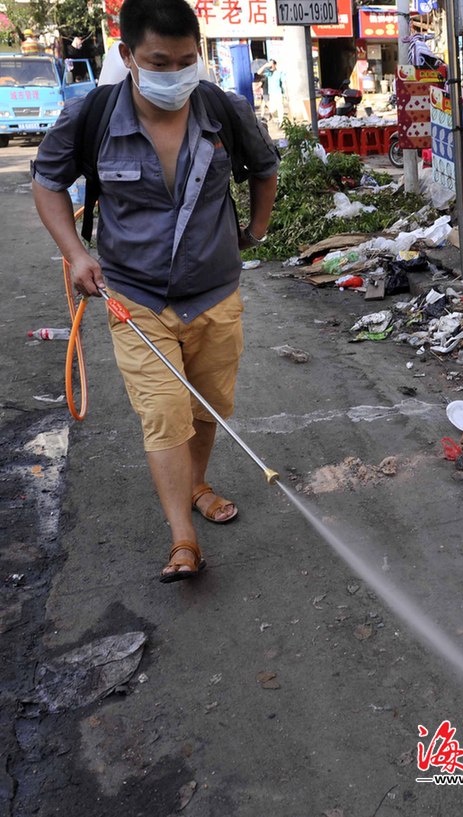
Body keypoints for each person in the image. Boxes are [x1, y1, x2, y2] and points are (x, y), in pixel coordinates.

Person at [31, 0, 279, 583]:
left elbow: (265, 168)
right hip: (135, 297)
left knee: (208, 407)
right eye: (159, 62)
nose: (175, 74)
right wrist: (76, 253)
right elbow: (47, 185)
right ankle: (183, 538)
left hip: (216, 292)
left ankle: (197, 483)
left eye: (187, 60)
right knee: (165, 415)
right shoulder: (89, 116)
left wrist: (257, 230)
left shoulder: (222, 110)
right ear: (128, 57)